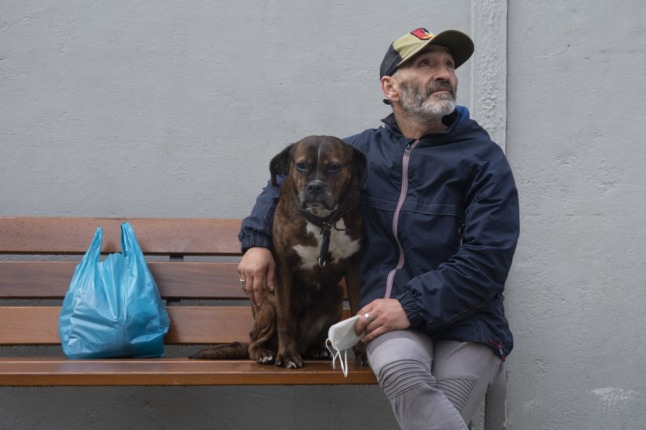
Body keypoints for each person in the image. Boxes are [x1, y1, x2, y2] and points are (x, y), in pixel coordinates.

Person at [237, 27, 519, 429]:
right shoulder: (357, 153)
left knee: (448, 401)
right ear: (391, 87)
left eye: (449, 65)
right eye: (426, 64)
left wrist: (411, 305)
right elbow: (284, 183)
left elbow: (487, 260)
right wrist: (257, 243)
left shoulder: (484, 160)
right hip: (386, 315)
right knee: (407, 376)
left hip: (469, 320)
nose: (444, 74)